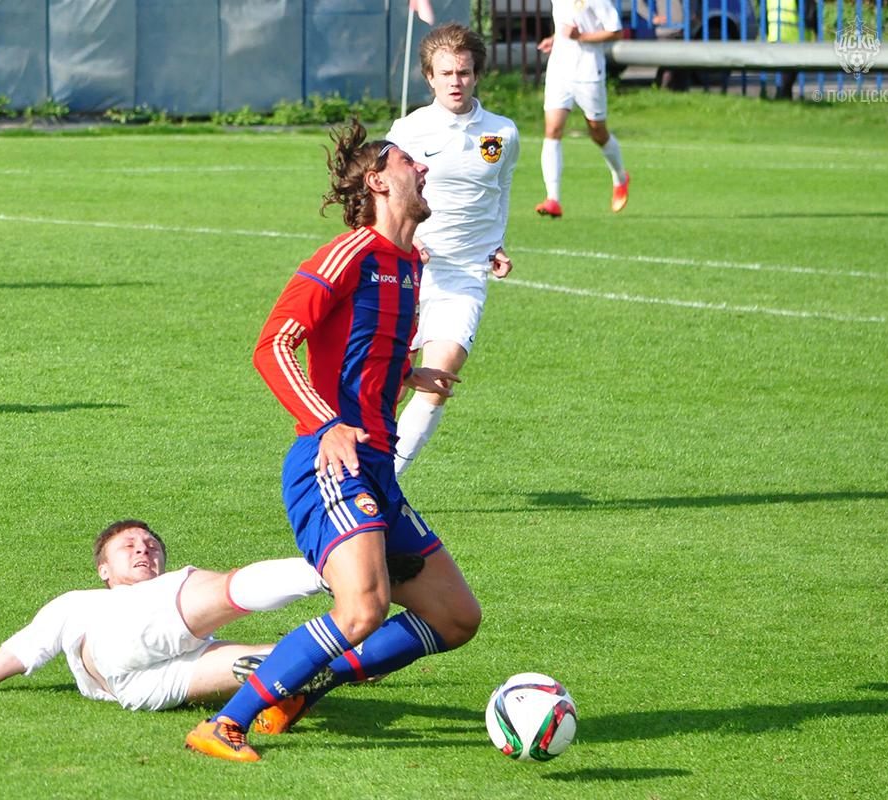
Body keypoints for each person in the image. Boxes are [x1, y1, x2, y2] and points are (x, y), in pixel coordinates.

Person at [184, 120, 482, 762]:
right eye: (409, 162)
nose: (423, 169)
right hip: (329, 463)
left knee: (456, 616)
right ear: (378, 181)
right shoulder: (349, 253)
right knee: (363, 608)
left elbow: (357, 353)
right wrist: (326, 423)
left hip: (376, 470)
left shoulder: (408, 265)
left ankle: (303, 687)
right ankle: (225, 724)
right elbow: (274, 345)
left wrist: (407, 374)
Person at [0, 519, 328, 711]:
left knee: (302, 656)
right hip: (115, 650)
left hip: (145, 690)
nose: (144, 549)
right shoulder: (79, 603)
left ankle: (309, 669)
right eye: (128, 545)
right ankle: (329, 570)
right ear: (103, 570)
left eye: (151, 545)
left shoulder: (167, 598)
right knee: (221, 589)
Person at [384, 22, 520, 477]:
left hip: (464, 274)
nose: (455, 81)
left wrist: (495, 242)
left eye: (463, 72)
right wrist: (409, 238)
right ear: (430, 77)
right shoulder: (409, 130)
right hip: (408, 270)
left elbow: (500, 192)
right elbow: (384, 193)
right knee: (388, 383)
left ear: (476, 73)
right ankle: (358, 467)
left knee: (438, 379)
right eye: (445, 74)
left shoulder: (502, 133)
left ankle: (387, 482)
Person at [535, 0, 630, 218]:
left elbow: (616, 32)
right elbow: (565, 25)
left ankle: (620, 177)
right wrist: (556, 39)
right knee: (552, 130)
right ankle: (553, 199)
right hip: (559, 70)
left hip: (588, 72)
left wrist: (581, 37)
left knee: (598, 133)